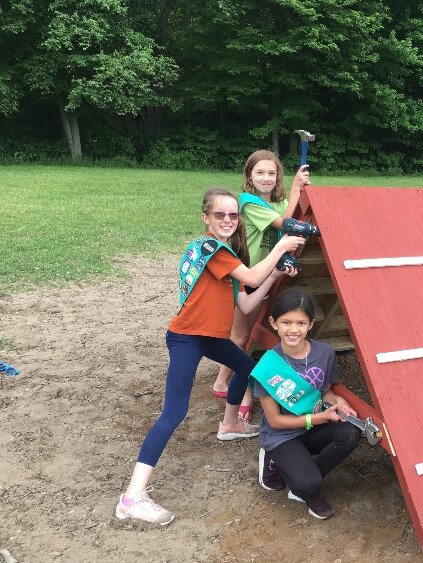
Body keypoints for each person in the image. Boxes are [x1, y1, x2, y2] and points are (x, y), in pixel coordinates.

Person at [115, 187, 305, 525]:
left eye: (233, 215)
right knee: (174, 412)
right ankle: (132, 497)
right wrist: (281, 245)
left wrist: (274, 273)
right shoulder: (209, 248)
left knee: (251, 368)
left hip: (212, 338)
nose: (228, 220)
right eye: (220, 214)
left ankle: (230, 424)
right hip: (188, 338)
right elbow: (251, 276)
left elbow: (246, 303)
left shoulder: (225, 256)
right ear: (206, 218)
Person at [212, 150, 311, 423]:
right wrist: (295, 189)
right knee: (240, 336)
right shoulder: (247, 202)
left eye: (272, 173)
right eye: (260, 173)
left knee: (245, 336)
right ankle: (231, 386)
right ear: (249, 177)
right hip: (247, 275)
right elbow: (283, 223)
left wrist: (296, 191)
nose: (266, 178)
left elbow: (286, 218)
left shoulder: (277, 204)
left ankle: (229, 382)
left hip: (263, 274)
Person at [253, 289, 361, 520]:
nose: (293, 329)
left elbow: (326, 391)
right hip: (282, 434)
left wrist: (339, 401)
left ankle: (304, 487)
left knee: (351, 432)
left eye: (301, 322)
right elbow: (275, 420)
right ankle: (288, 470)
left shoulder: (325, 352)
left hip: (312, 427)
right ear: (273, 323)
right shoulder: (268, 366)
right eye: (286, 322)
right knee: (308, 482)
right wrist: (319, 418)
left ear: (311, 324)